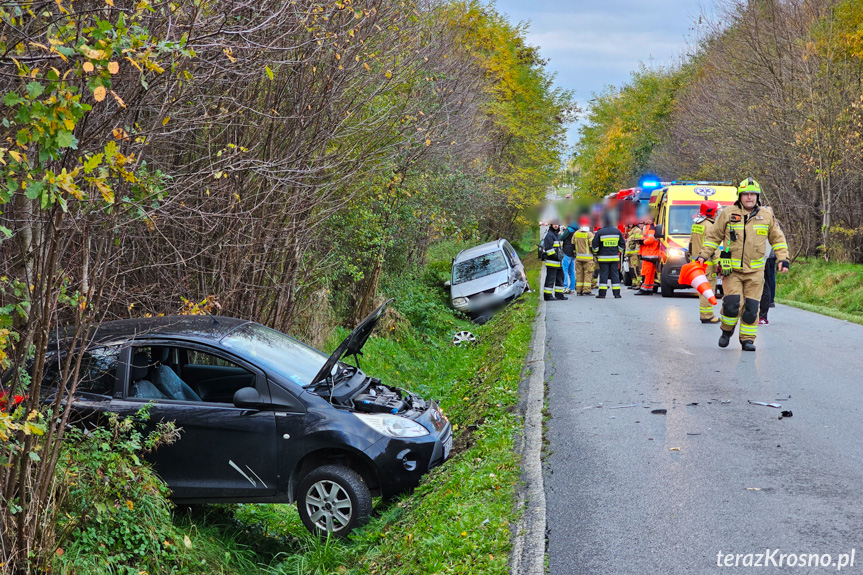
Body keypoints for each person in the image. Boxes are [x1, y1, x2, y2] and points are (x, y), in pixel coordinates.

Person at [695, 177, 789, 351]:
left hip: (755, 272)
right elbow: (713, 237)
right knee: (732, 305)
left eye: (753, 194)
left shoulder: (766, 216)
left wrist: (783, 258)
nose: (749, 198)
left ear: (757, 197)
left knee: (752, 308)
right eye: (746, 194)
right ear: (740, 196)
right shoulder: (728, 213)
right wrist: (703, 255)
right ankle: (726, 331)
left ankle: (747, 340)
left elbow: (778, 239)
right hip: (732, 271)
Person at [688, 200, 722, 323]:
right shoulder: (710, 226)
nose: (717, 214)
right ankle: (707, 315)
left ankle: (705, 314)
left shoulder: (697, 224)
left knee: (702, 289)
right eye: (716, 211)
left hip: (698, 264)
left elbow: (691, 244)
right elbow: (713, 246)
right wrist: (719, 263)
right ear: (710, 212)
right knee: (708, 290)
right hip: (708, 264)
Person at [591, 217, 626, 299]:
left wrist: (597, 253)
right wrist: (617, 251)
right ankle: (617, 294)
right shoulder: (617, 232)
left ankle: (602, 294)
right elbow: (622, 245)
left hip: (603, 258)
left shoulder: (600, 232)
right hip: (614, 257)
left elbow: (594, 246)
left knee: (604, 275)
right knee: (615, 275)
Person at [541, 221, 567, 301]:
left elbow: (559, 248)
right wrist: (557, 256)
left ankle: (559, 294)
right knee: (550, 279)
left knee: (560, 278)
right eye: (554, 224)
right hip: (552, 262)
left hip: (558, 262)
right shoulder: (549, 235)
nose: (556, 225)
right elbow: (549, 250)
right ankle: (547, 295)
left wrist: (561, 255)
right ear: (551, 225)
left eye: (557, 224)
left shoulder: (557, 235)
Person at [635, 216, 660, 295]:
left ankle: (644, 289)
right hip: (652, 253)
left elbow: (651, 240)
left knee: (646, 272)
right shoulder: (651, 227)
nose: (643, 220)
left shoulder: (651, 228)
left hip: (649, 253)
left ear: (650, 220)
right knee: (650, 273)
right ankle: (649, 289)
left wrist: (642, 242)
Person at [572, 216, 595, 295]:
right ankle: (587, 290)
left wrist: (575, 253)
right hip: (588, 259)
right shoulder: (590, 235)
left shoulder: (576, 234)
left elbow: (572, 245)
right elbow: (592, 247)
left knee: (579, 274)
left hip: (578, 258)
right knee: (588, 273)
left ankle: (579, 291)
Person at [758, 243, 776, 324]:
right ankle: (771, 301)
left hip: (764, 256)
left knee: (765, 284)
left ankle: (762, 316)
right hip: (769, 255)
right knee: (769, 279)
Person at [559, 219, 577, 294]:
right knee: (571, 271)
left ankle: (565, 286)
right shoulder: (577, 230)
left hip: (567, 251)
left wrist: (560, 233)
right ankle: (572, 288)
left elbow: (561, 238)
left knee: (564, 269)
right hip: (574, 252)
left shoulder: (569, 230)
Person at [624, 223, 642, 289]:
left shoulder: (637, 231)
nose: (629, 225)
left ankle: (638, 283)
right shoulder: (631, 231)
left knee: (636, 269)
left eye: (631, 224)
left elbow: (637, 242)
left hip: (634, 254)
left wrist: (637, 253)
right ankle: (634, 283)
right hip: (630, 254)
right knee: (631, 269)